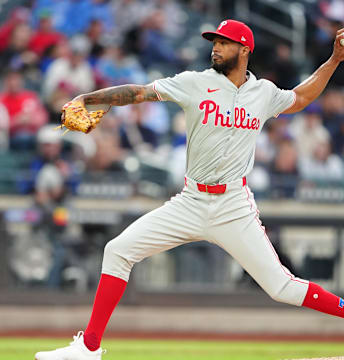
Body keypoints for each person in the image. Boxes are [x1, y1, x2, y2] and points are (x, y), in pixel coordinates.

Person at [35, 19, 344, 360]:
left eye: (224, 42)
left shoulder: (264, 93)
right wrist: (89, 98)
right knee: (118, 250)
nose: (215, 46)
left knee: (281, 287)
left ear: (244, 50)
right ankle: (88, 348)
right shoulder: (194, 83)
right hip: (191, 201)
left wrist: (333, 61)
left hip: (233, 206)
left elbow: (300, 97)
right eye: (214, 41)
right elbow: (139, 92)